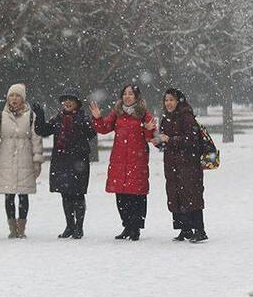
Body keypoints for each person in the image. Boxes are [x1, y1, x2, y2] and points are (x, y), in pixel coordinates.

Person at [90, 84, 156, 241]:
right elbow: (104, 128)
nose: (127, 96)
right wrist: (98, 118)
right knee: (121, 196)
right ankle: (126, 226)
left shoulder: (143, 114)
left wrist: (147, 128)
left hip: (137, 161)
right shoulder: (117, 113)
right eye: (125, 94)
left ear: (137, 97)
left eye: (131, 94)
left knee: (136, 195)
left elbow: (151, 136)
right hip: (119, 161)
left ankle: (135, 228)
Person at [33, 88, 97, 239]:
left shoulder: (83, 118)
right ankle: (70, 226)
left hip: (78, 162)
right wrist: (40, 115)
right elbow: (42, 130)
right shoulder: (58, 118)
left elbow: (91, 134)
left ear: (77, 103)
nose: (67, 102)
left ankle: (79, 227)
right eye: (65, 99)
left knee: (78, 195)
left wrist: (91, 121)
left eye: (71, 99)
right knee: (65, 195)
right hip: (61, 161)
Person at [0, 84, 43, 238]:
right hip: (6, 160)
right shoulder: (2, 116)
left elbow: (36, 139)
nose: (14, 99)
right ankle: (12, 228)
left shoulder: (31, 116)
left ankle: (21, 228)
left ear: (23, 98)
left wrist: (37, 160)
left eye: (17, 96)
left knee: (23, 195)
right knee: (9, 195)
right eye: (12, 96)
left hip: (25, 158)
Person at [152, 88, 208, 243]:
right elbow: (165, 143)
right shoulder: (165, 119)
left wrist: (170, 140)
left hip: (188, 164)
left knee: (191, 195)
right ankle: (185, 229)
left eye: (171, 100)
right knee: (176, 195)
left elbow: (192, 140)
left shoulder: (186, 117)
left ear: (178, 101)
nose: (168, 103)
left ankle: (199, 229)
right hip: (172, 165)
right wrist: (158, 141)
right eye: (166, 100)